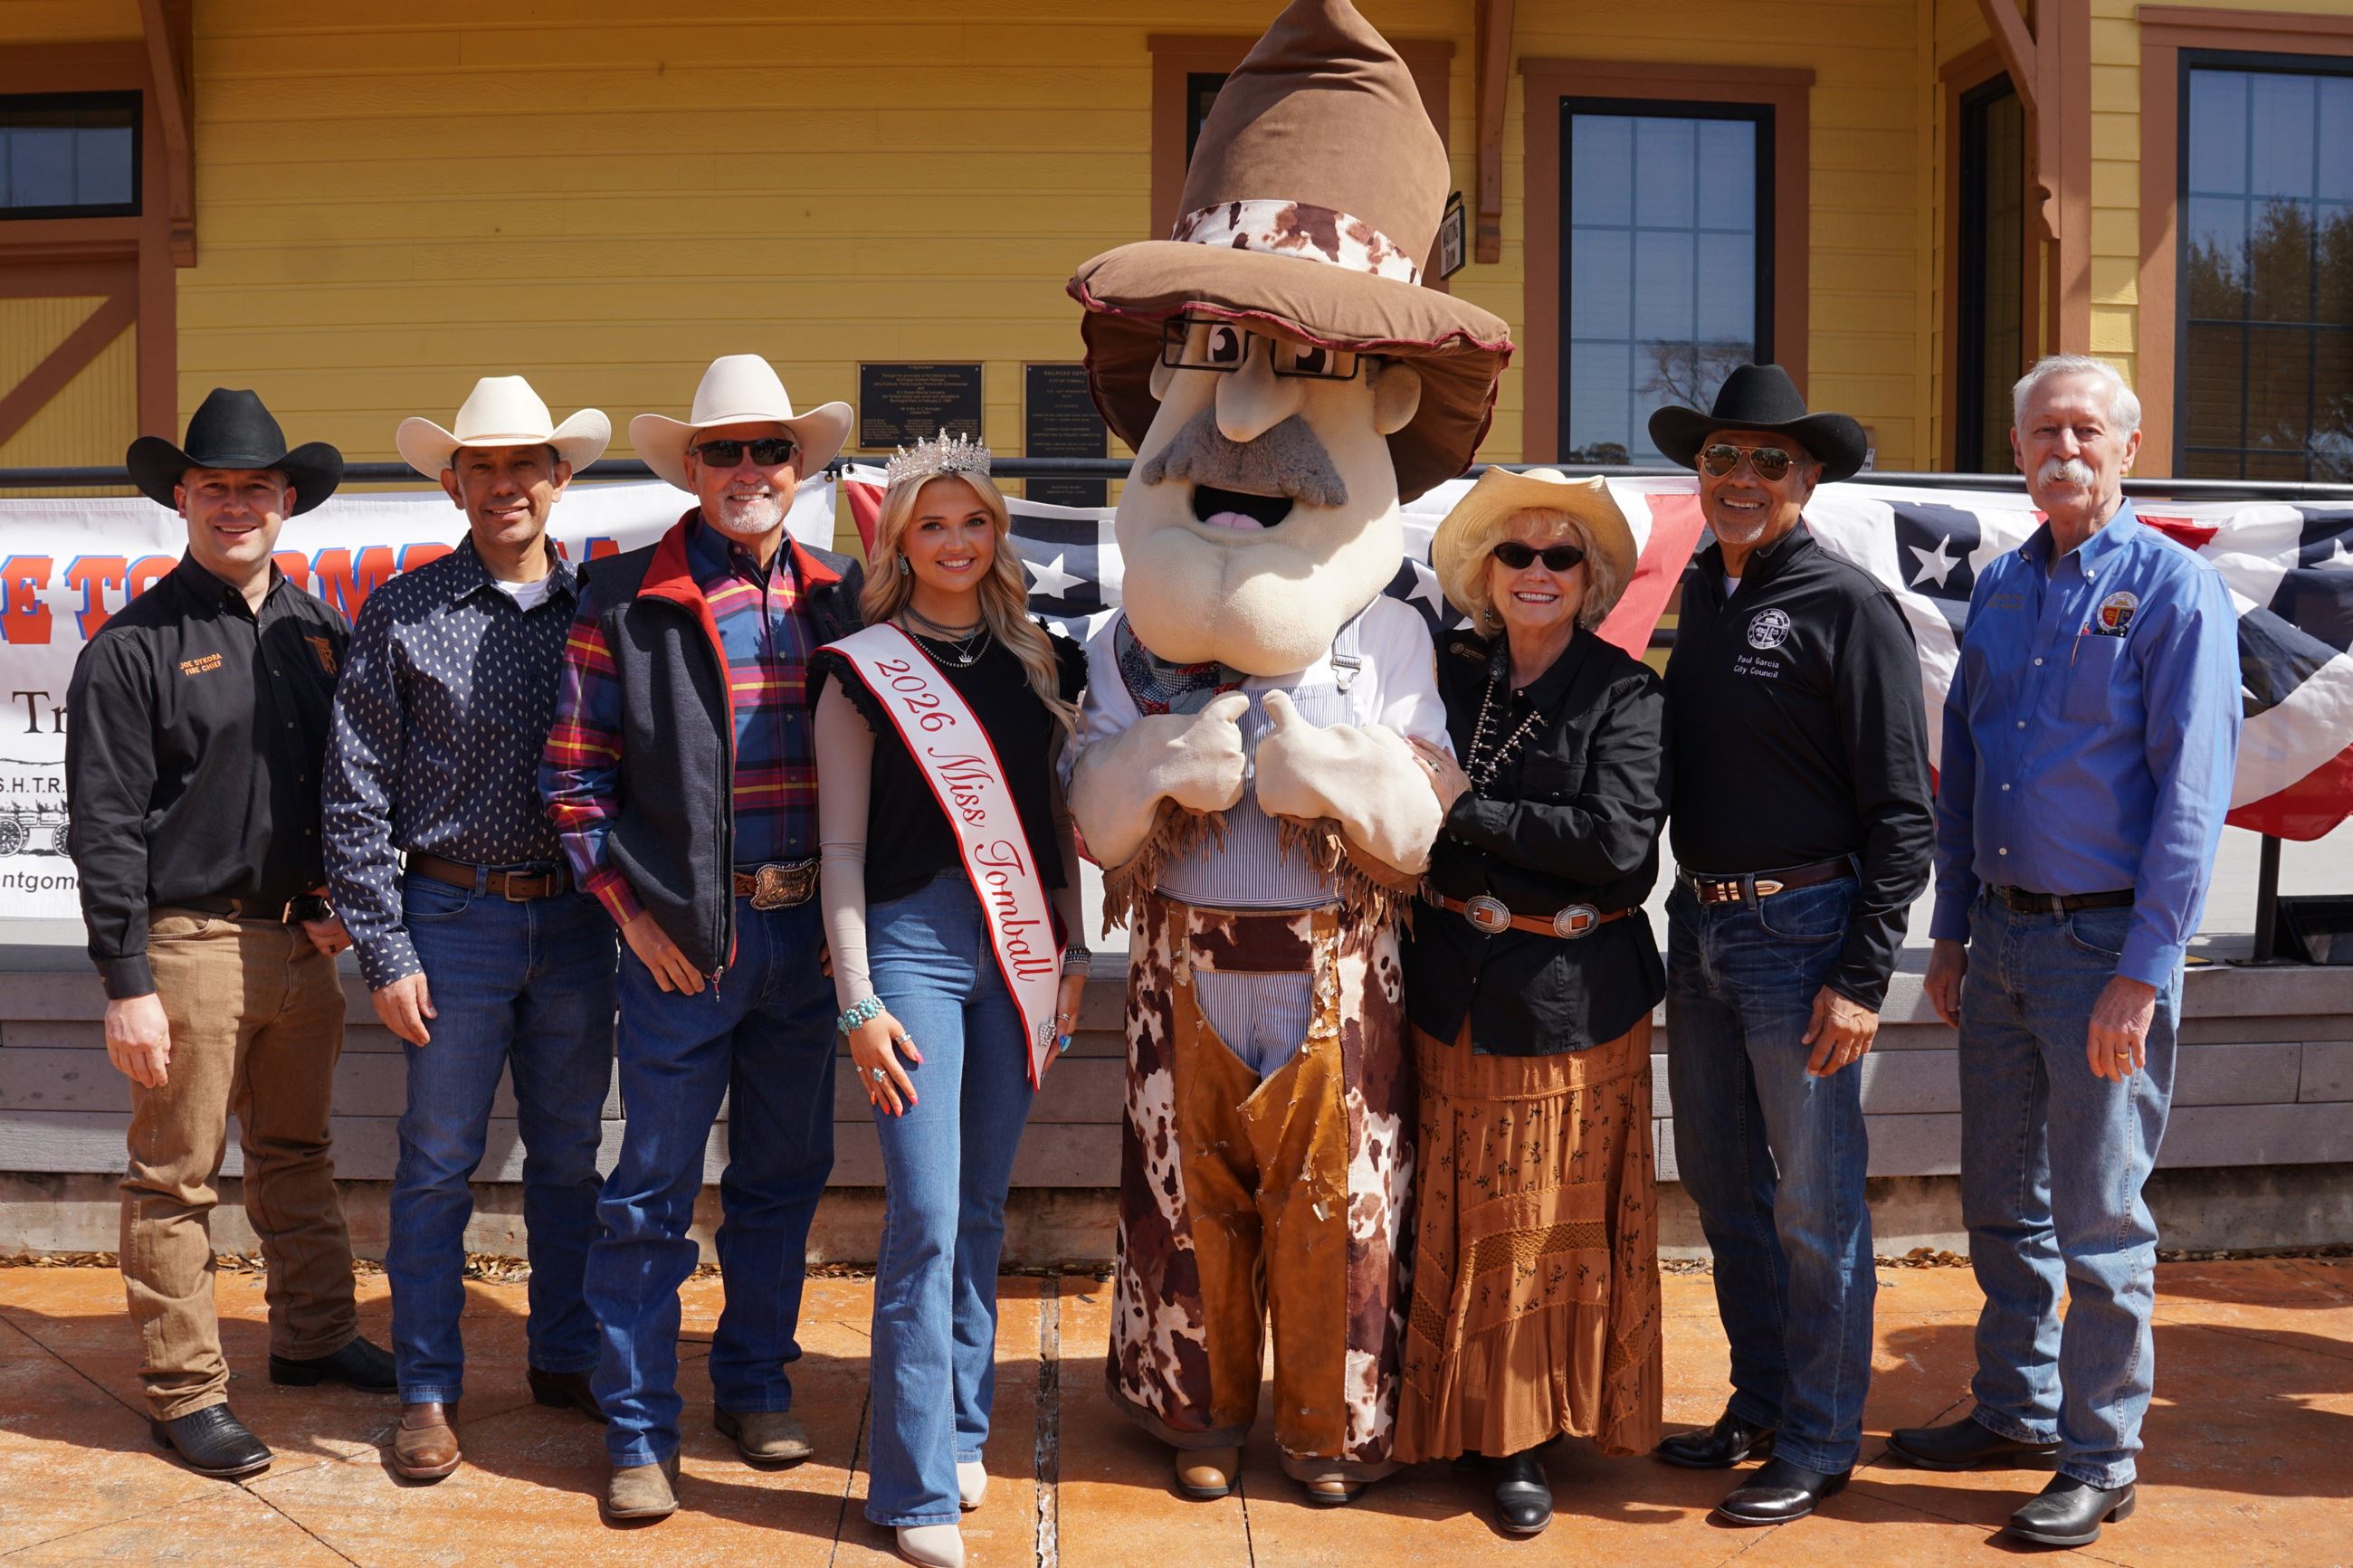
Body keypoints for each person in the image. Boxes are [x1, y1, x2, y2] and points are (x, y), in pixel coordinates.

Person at [1062, 0, 1510, 1507]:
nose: (1245, 407)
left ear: (1385, 392)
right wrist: (1152, 768)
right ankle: (1197, 1412)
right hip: (1186, 951)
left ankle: (1325, 1426)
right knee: (1184, 1201)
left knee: (1337, 1201)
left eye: (1297, 360)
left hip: (1334, 961)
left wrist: (1353, 780)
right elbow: (1090, 815)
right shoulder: (1134, 642)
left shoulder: (1389, 640)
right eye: (1219, 350)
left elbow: (1426, 820)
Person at [1891, 356, 2241, 1549]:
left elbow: (2192, 802)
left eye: (2087, 430)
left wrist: (2144, 971)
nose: (2065, 449)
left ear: (2128, 449)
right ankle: (2017, 1408)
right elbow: (1968, 768)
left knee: (2101, 1218)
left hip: (2105, 951)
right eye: (2043, 431)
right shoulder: (1999, 592)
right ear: (2016, 445)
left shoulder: (2175, 594)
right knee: (2002, 1200)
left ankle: (2102, 1455)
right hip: (1997, 940)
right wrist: (1947, 929)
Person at [539, 354, 861, 1523]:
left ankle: (756, 1384)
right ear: (688, 466)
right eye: (722, 450)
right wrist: (637, 922)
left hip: (806, 943)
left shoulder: (844, 593)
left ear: (798, 466)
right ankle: (636, 1428)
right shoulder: (624, 595)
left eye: (768, 448)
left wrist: (849, 928)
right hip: (684, 945)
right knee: (651, 1195)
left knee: (783, 1180)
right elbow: (574, 788)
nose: (746, 469)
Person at [65, 388, 395, 1480]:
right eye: (214, 487)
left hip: (305, 946)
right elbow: (105, 821)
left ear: (286, 498)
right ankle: (184, 1391)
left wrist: (352, 896)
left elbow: (356, 785)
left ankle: (312, 1334)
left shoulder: (319, 633)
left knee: (299, 1152)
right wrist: (127, 978)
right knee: (176, 1177)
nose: (235, 504)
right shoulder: (133, 646)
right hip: (190, 945)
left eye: (255, 486)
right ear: (181, 498)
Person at [1650, 364, 1934, 1525]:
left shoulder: (1847, 605)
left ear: (1806, 478)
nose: (1742, 477)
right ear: (1699, 471)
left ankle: (1818, 1439)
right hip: (1698, 922)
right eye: (1723, 456)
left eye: (1769, 460)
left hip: (1803, 932)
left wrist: (1861, 976)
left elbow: (1902, 813)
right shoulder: (1697, 594)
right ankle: (1761, 1399)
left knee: (1814, 1207)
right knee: (1723, 1189)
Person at [323, 376, 618, 1480]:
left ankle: (564, 1352)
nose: (505, 484)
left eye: (525, 464)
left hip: (581, 921)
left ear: (559, 478)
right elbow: (353, 792)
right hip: (450, 916)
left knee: (569, 1154)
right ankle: (428, 1388)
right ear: (452, 482)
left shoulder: (604, 607)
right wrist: (387, 946)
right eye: (483, 466)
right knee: (438, 1161)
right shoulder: (403, 611)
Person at [811, 432, 1089, 1568]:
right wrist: (855, 999)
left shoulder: (1043, 662)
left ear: (997, 535)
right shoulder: (856, 666)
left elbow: (1058, 829)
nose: (957, 543)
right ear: (898, 540)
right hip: (910, 945)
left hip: (1019, 945)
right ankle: (914, 1482)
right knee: (924, 1216)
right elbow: (836, 849)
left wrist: (1070, 951)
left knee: (981, 1205)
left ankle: (964, 1425)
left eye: (974, 522)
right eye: (933, 525)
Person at [1395, 468, 1668, 1537]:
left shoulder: (1626, 693)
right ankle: (1446, 1413)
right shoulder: (1451, 679)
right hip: (1447, 983)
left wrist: (1468, 807)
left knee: (1539, 1221)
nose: (1538, 572)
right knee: (1453, 1208)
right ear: (1482, 572)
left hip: (1567, 999)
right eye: (1517, 554)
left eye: (1560, 556)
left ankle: (1523, 1434)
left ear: (1590, 576)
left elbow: (1615, 845)